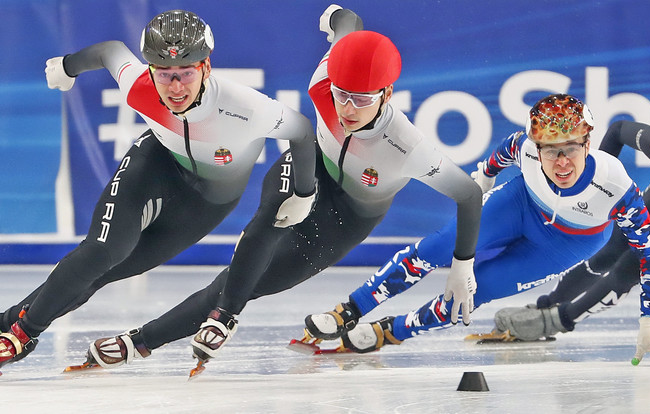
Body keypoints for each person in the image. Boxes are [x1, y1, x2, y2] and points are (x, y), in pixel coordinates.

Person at [71, 5, 482, 372]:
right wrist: (337, 15)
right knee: (272, 217)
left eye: (361, 99)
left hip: (350, 217)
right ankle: (225, 316)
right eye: (342, 95)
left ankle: (138, 341)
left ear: (386, 94)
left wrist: (462, 264)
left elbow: (468, 194)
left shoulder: (406, 146)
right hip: (313, 169)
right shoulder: (325, 84)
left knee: (243, 282)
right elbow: (348, 29)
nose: (347, 110)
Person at [0, 9, 319, 368]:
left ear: (206, 68)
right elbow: (110, 51)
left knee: (101, 276)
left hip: (206, 203)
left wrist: (304, 193)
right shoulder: (140, 86)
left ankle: (6, 323)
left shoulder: (244, 107)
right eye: (165, 75)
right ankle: (21, 335)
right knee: (103, 251)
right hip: (156, 164)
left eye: (185, 73)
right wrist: (68, 65)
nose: (176, 87)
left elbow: (303, 131)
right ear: (151, 71)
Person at [301, 93, 650, 366]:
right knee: (439, 247)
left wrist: (649, 322)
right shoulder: (525, 148)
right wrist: (479, 187)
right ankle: (348, 310)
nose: (561, 161)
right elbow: (499, 155)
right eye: (550, 150)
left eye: (570, 148)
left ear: (588, 143)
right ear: (537, 147)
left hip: (569, 242)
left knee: (474, 291)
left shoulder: (614, 185)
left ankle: (393, 331)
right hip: (520, 205)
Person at [487, 106, 650, 365]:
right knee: (610, 248)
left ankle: (555, 322)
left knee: (635, 266)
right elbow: (619, 129)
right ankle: (548, 304)